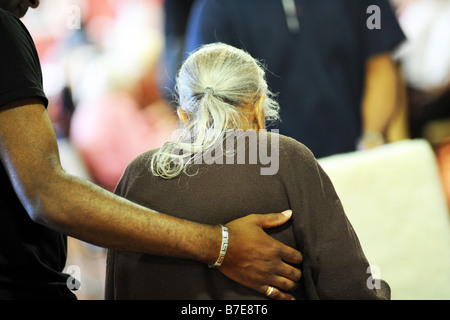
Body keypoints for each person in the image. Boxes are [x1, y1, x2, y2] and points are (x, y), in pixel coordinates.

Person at [0, 0, 302, 300]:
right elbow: (45, 192)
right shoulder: (288, 164)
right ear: (259, 108)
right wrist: (220, 246)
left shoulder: (140, 169)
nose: (36, 2)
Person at [105, 43, 390, 300]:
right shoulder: (285, 160)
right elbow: (348, 289)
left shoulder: (138, 175)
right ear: (258, 109)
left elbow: (119, 288)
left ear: (182, 117)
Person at [184, 0, 406, 158]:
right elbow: (211, 101)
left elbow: (379, 66)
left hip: (354, 157)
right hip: (270, 174)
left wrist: (371, 138)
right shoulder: (216, 9)